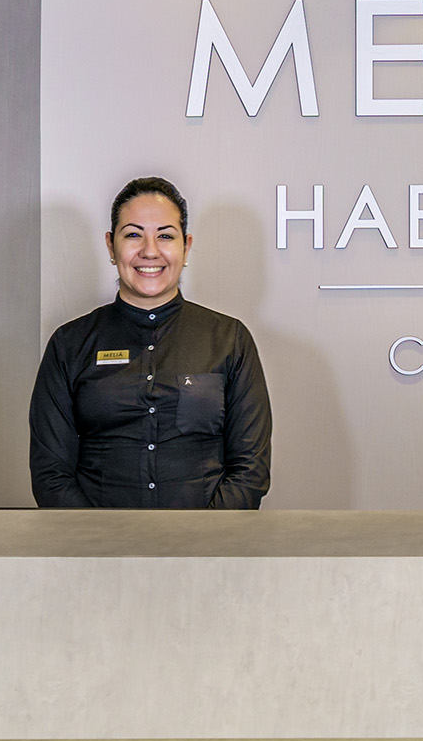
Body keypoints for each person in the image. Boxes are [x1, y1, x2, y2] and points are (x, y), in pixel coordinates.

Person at [29, 176, 272, 508]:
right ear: (110, 246)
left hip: (208, 550)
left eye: (165, 236)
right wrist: (99, 545)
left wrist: (202, 542)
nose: (149, 251)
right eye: (132, 235)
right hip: (96, 552)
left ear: (185, 247)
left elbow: (250, 471)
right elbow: (50, 474)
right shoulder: (69, 345)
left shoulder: (229, 340)